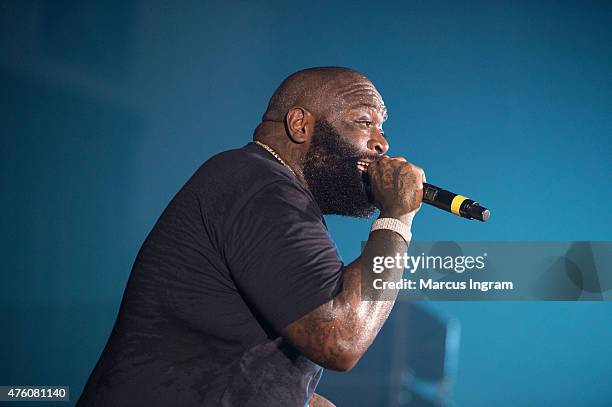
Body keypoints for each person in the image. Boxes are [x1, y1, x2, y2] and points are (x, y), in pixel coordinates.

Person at [76, 67, 425, 407]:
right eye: (364, 122)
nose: (382, 143)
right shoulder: (261, 188)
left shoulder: (256, 183)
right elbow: (341, 339)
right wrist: (397, 216)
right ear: (300, 125)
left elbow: (222, 349)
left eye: (381, 127)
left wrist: (298, 397)